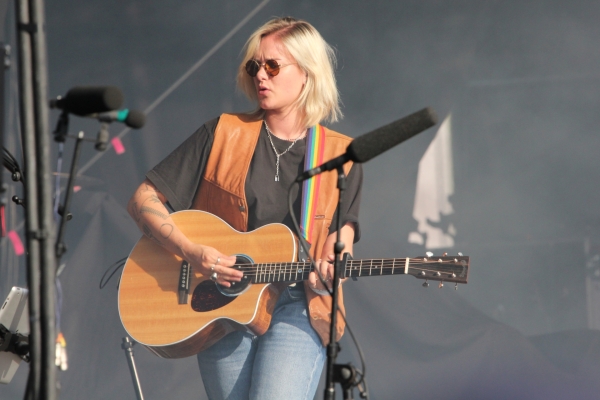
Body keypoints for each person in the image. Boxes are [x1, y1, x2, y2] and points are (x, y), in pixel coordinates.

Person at [127, 17, 362, 400]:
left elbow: (342, 240)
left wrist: (333, 272)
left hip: (297, 303)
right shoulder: (222, 132)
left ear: (307, 73)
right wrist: (192, 252)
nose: (260, 76)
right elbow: (143, 199)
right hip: (221, 300)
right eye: (255, 66)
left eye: (272, 65)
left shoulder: (341, 156)